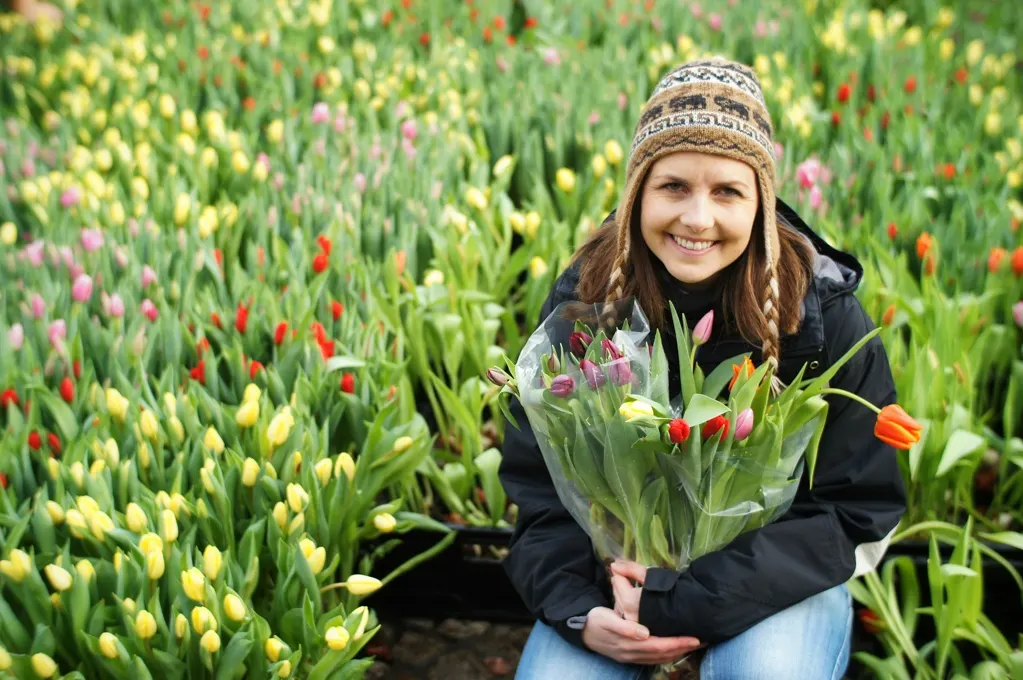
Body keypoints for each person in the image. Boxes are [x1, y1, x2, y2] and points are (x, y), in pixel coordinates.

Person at [500, 57, 906, 679]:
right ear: (638, 192)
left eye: (726, 191)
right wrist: (581, 612)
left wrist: (682, 600)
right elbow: (540, 498)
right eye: (673, 186)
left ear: (761, 202)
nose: (697, 218)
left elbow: (857, 510)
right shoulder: (585, 306)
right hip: (614, 587)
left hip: (774, 590)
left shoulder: (820, 315)